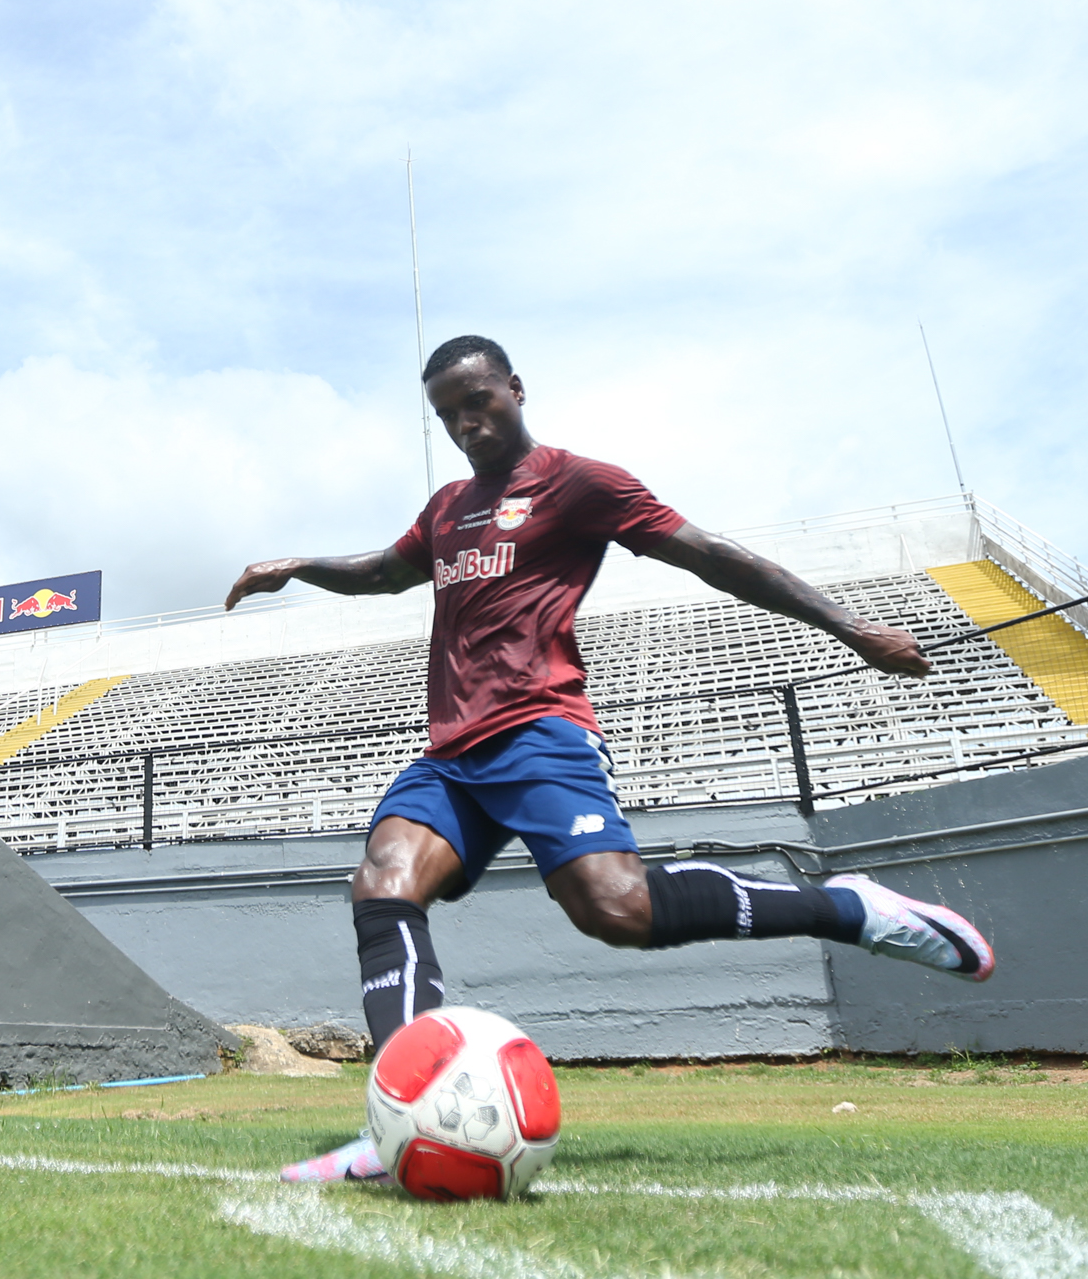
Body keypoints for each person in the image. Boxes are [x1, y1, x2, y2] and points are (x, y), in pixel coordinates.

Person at [223, 334, 994, 1184]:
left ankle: (843, 908)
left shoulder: (580, 483)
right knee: (383, 883)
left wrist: (850, 627)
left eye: (477, 402)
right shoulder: (447, 508)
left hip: (540, 729)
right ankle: (396, 1118)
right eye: (448, 415)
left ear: (516, 389)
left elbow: (714, 557)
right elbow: (381, 573)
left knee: (616, 910)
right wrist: (301, 566)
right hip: (452, 753)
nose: (466, 424)